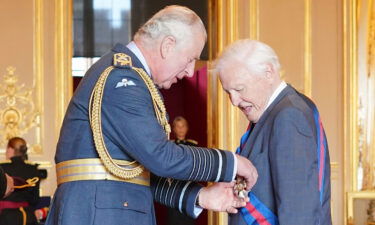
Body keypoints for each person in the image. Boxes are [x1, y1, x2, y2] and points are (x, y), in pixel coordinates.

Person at [46, 5, 257, 225]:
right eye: (190, 58)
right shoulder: (123, 79)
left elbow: (134, 170)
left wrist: (200, 196)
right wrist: (231, 163)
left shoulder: (131, 77)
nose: (190, 71)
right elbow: (159, 156)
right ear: (168, 45)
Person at [214, 39, 332, 225]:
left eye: (239, 89)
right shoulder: (273, 112)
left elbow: (299, 213)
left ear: (268, 73)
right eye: (228, 92)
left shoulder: (289, 116)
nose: (234, 101)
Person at [0, 137, 41, 225]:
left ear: (11, 149)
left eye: (7, 148)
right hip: (26, 217)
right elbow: (34, 200)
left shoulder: (2, 168)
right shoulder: (33, 170)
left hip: (4, 217)